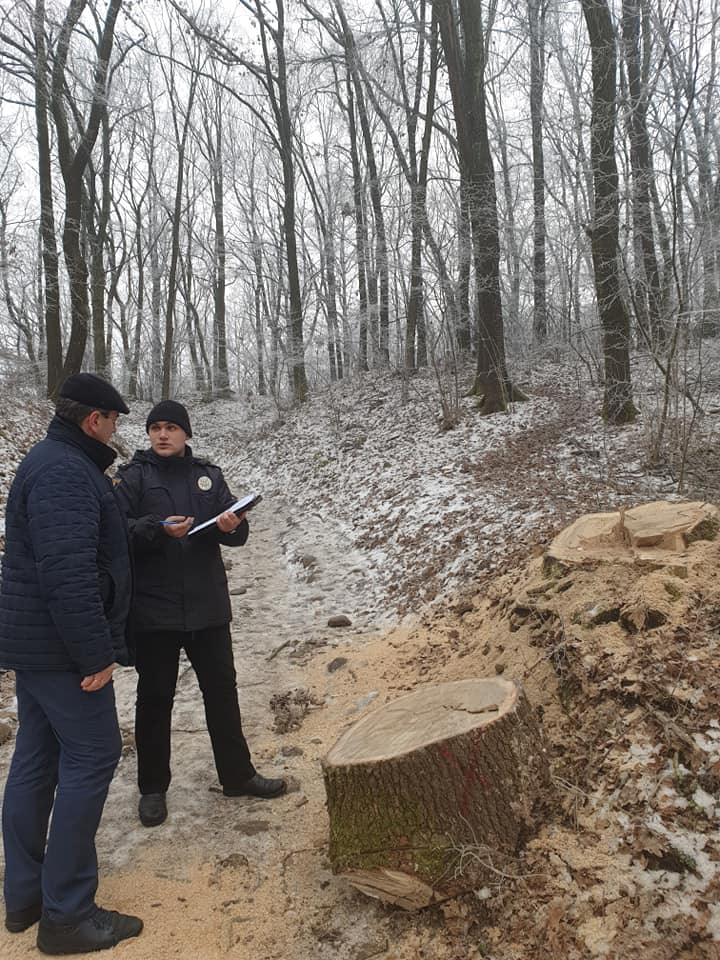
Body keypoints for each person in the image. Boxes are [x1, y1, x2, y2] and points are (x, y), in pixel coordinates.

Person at [0, 373, 143, 955]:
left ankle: (26, 896)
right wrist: (95, 653)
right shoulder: (65, 470)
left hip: (38, 648)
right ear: (94, 420)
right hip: (63, 651)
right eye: (114, 420)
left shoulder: (54, 460)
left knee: (36, 760)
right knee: (93, 756)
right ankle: (67, 914)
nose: (116, 430)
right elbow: (67, 574)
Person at [115, 400, 286, 829]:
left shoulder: (208, 475)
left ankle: (237, 775)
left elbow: (237, 532)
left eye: (171, 427)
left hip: (207, 606)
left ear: (186, 433)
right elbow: (116, 531)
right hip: (154, 610)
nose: (162, 434)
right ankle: (152, 788)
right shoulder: (133, 477)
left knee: (222, 693)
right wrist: (156, 529)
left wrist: (233, 525)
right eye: (156, 427)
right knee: (155, 699)